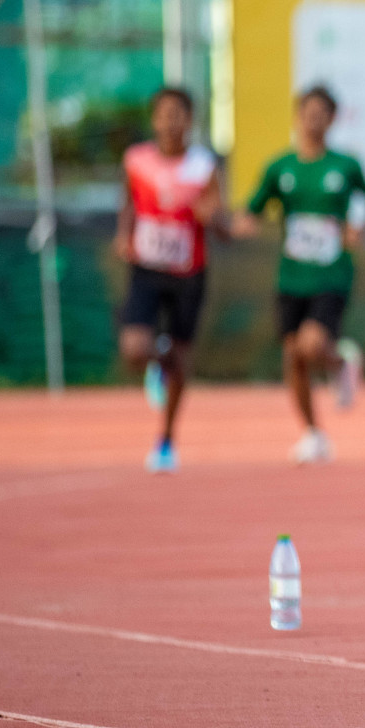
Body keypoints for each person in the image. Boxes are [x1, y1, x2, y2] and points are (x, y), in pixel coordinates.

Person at [233, 86, 365, 464]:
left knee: (312, 344)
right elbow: (253, 210)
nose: (313, 119)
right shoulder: (281, 168)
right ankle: (313, 433)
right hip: (291, 277)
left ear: (332, 119)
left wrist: (360, 229)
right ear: (297, 117)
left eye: (321, 113)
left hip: (332, 274)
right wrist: (232, 225)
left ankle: (340, 363)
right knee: (294, 355)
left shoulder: (346, 166)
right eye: (307, 112)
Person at [114, 87, 223, 473]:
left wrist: (209, 213)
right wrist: (122, 234)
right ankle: (157, 361)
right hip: (146, 267)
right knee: (134, 347)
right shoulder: (137, 160)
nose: (171, 121)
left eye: (179, 113)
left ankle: (166, 439)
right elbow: (129, 203)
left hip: (188, 273)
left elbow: (217, 215)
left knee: (183, 356)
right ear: (154, 119)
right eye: (164, 113)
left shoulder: (203, 167)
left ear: (190, 119)